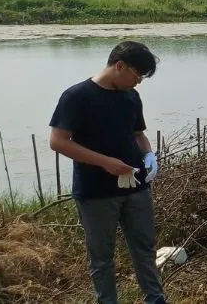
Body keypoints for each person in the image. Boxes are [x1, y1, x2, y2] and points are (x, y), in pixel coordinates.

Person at [48, 41, 166, 304]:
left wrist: (148, 154)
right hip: (96, 191)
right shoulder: (77, 96)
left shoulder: (131, 97)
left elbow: (138, 134)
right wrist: (104, 162)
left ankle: (155, 298)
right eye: (137, 76)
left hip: (136, 186)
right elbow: (58, 141)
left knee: (145, 247)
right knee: (102, 256)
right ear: (119, 65)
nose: (138, 83)